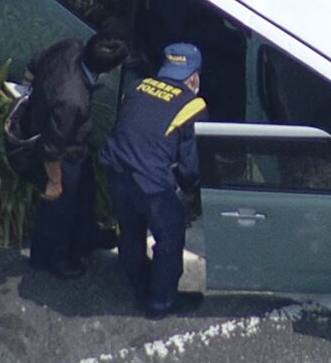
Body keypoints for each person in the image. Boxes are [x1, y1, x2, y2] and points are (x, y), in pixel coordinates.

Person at [99, 43, 207, 319]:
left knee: (130, 230)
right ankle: (160, 302)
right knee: (169, 242)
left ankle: (139, 284)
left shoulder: (138, 87)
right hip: (154, 186)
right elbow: (189, 166)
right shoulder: (192, 104)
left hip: (116, 170)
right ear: (194, 77)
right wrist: (191, 192)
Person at [23, 31, 129, 279]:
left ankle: (87, 235)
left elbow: (35, 64)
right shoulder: (73, 100)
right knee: (58, 209)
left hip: (71, 144)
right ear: (110, 69)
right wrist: (54, 181)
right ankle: (50, 258)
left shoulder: (69, 47)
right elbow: (52, 148)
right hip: (61, 153)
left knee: (85, 194)